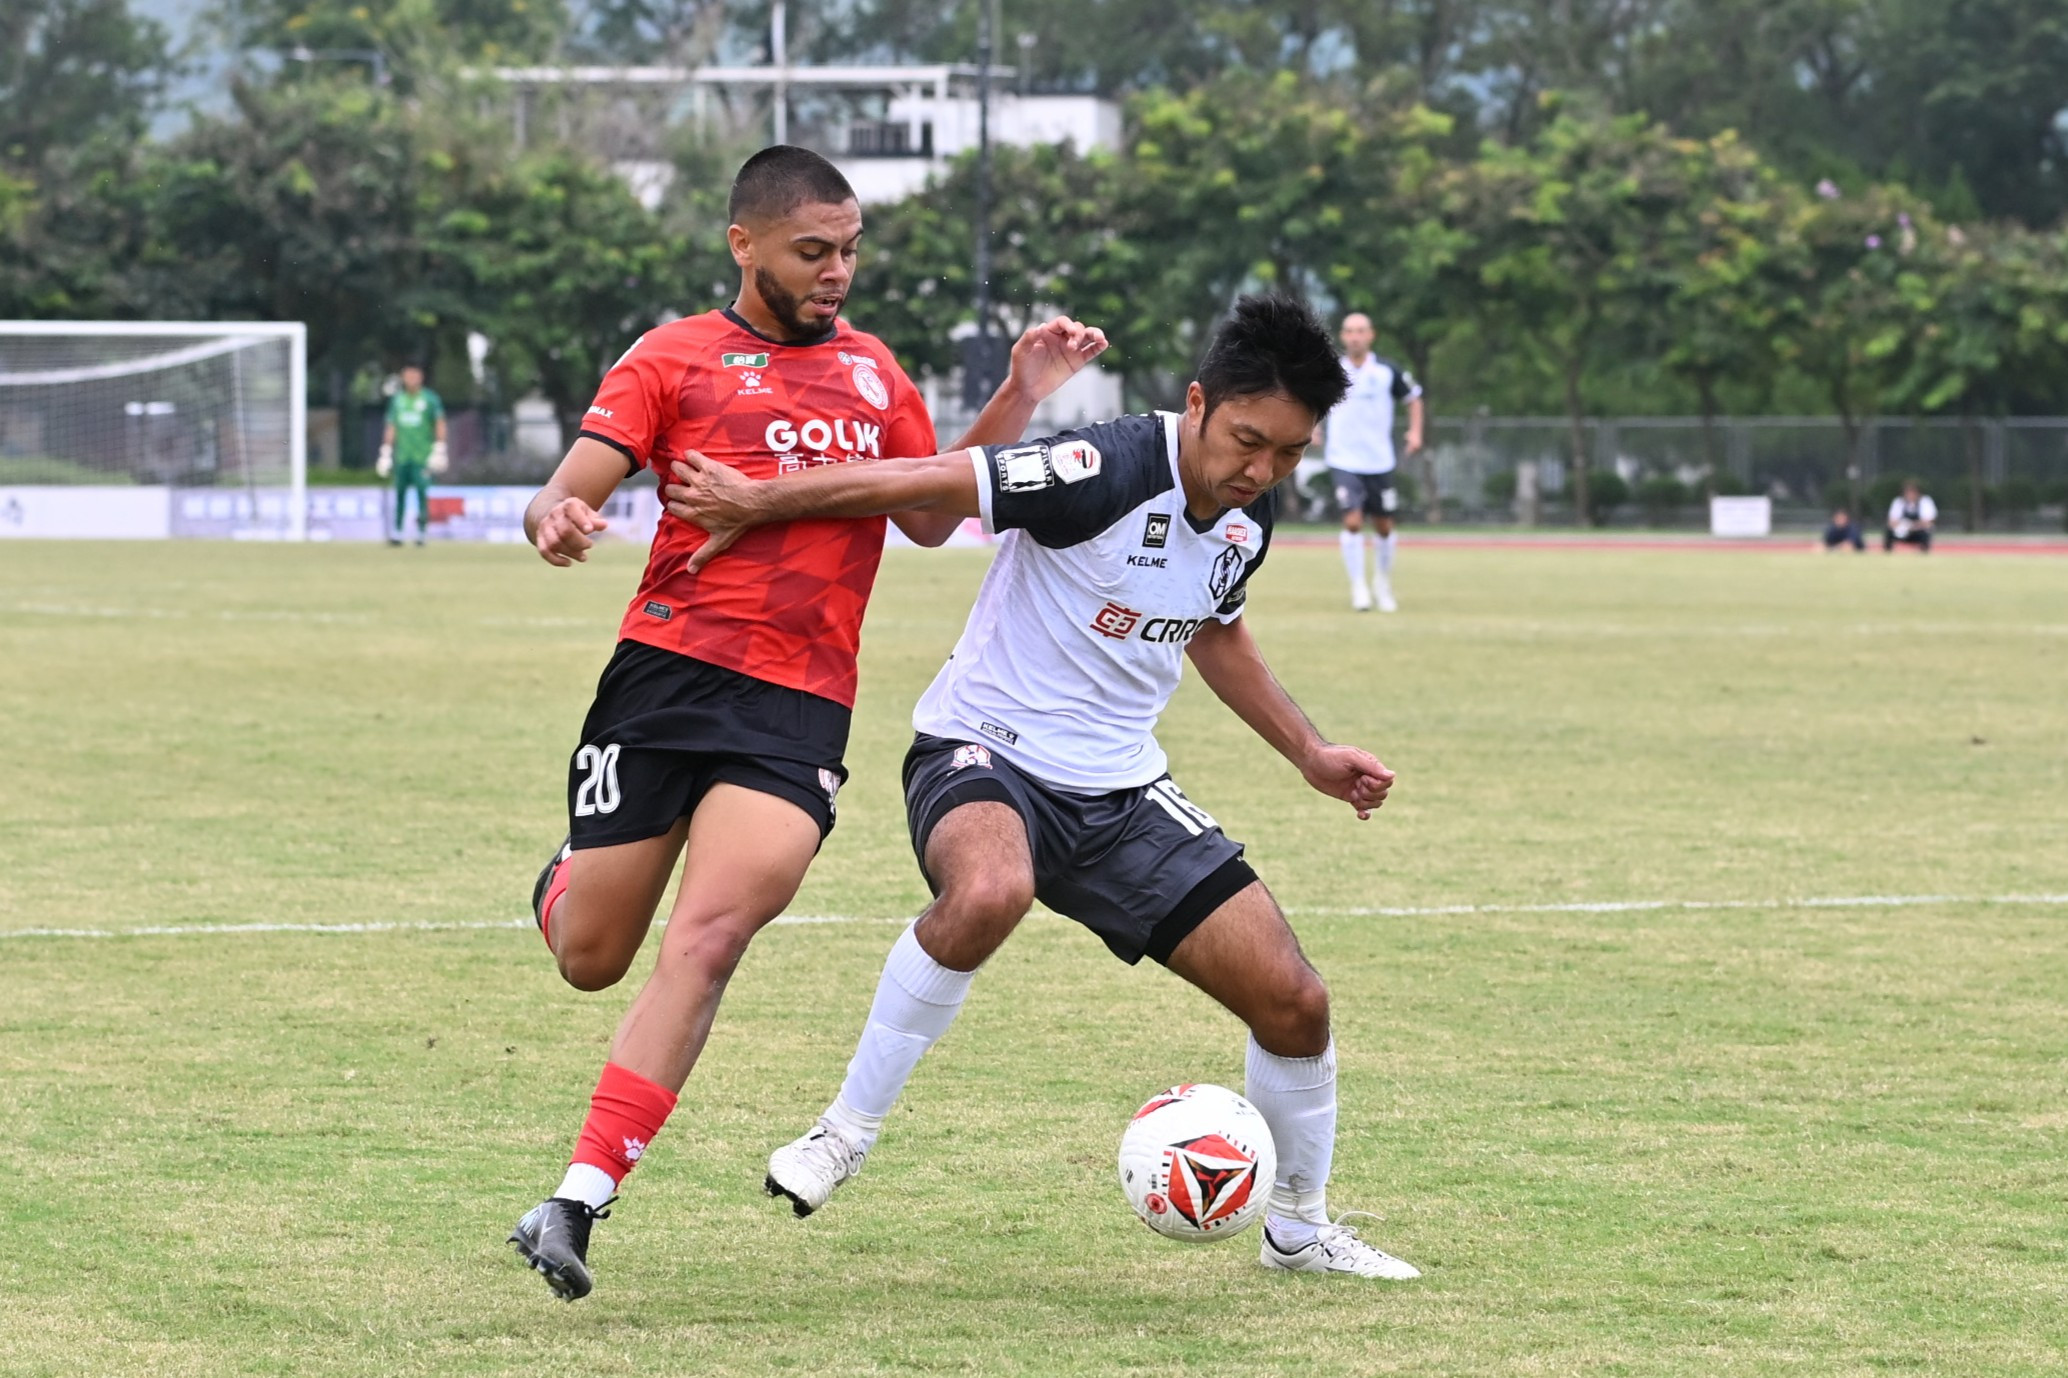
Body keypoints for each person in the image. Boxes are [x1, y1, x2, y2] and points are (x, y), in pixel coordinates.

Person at [664, 295, 1421, 1281]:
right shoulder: (1100, 466)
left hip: (1120, 794)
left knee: (1295, 1002)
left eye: (1288, 453)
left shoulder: (1248, 513)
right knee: (991, 889)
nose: (1261, 470)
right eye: (1248, 441)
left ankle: (1299, 1228)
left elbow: (1215, 628)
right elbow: (929, 488)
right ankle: (842, 1133)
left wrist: (1309, 753)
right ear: (1197, 404)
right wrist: (761, 499)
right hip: (983, 752)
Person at [504, 145, 1106, 1303]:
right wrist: (557, 516)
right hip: (663, 679)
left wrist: (1021, 394)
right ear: (745, 245)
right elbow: (566, 486)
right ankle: (563, 884)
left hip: (797, 706)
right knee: (592, 956)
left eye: (849, 251)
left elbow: (934, 510)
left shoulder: (874, 373)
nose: (837, 272)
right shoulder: (670, 356)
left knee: (710, 937)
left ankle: (577, 1196)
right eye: (812, 251)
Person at [1313, 312, 1421, 612]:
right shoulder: (1333, 370)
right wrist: (1314, 427)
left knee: (1384, 526)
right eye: (1349, 331)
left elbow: (1414, 398)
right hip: (1343, 459)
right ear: (1343, 336)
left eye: (1361, 331)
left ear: (1371, 335)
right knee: (1352, 521)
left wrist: (1415, 432)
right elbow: (1314, 400)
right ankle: (1358, 586)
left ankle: (1382, 584)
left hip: (1379, 461)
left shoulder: (1387, 371)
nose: (1355, 337)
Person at [375, 363, 447, 546]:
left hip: (422, 456)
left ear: (420, 377)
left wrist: (440, 448)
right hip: (402, 456)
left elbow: (439, 423)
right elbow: (391, 426)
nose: (411, 379)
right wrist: (385, 451)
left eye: (414, 375)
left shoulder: (430, 399)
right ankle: (397, 532)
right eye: (407, 375)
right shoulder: (398, 400)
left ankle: (421, 532)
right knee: (399, 494)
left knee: (422, 494)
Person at [1885, 480, 1936, 553]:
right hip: (1902, 530)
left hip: (1918, 531)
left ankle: (1924, 552)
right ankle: (1887, 551)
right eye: (1908, 492)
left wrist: (1912, 526)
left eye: (1912, 492)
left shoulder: (1925, 501)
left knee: (1925, 532)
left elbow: (1928, 522)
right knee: (1888, 531)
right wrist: (1903, 526)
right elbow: (1891, 521)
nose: (1910, 495)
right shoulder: (1898, 502)